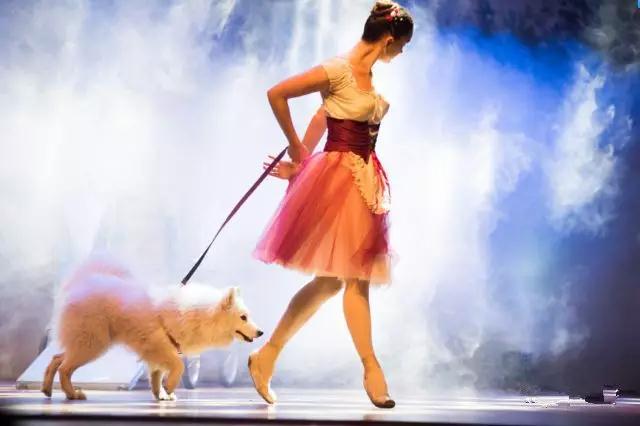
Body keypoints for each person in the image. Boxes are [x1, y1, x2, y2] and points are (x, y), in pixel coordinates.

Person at [249, 0, 413, 409]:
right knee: (356, 278)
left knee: (330, 281)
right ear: (389, 40)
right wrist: (298, 154)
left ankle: (265, 357)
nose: (402, 53)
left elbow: (322, 117)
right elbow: (277, 94)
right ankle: (372, 369)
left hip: (364, 180)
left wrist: (302, 158)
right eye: (403, 45)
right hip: (338, 180)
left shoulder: (366, 77)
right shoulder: (338, 69)